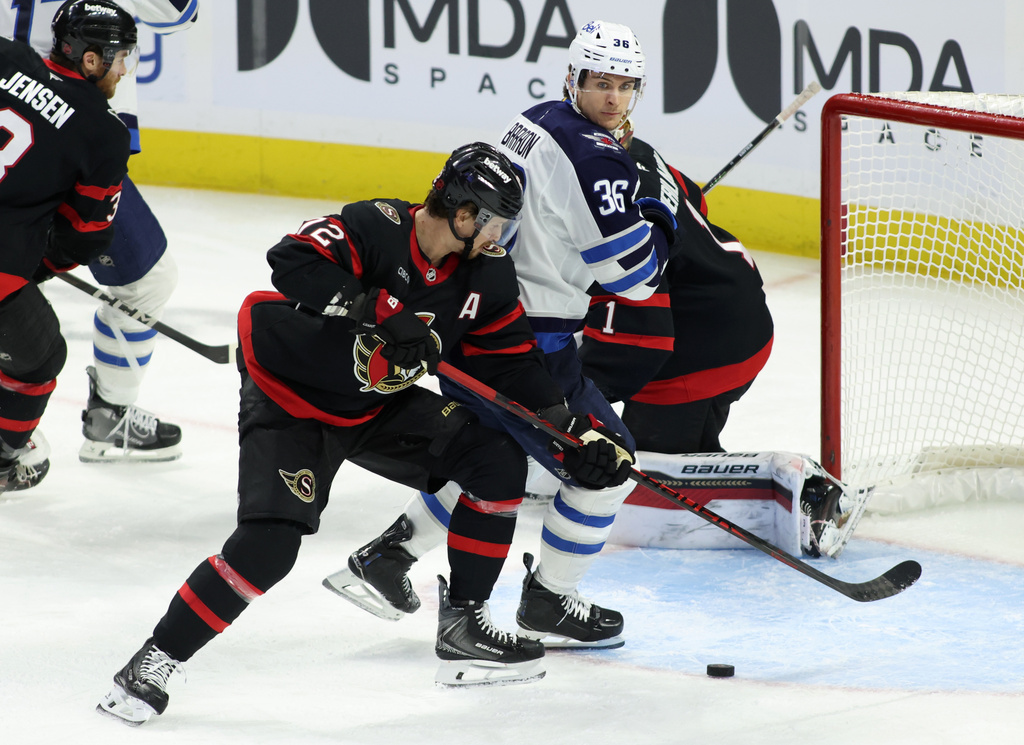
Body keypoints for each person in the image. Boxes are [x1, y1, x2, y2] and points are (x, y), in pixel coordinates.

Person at [97, 143, 634, 725]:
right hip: (292, 401)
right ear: (460, 210)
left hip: (376, 404)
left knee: (494, 460)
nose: (498, 235)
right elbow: (292, 258)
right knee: (269, 547)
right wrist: (372, 305)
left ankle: (463, 627)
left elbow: (510, 366)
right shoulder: (374, 224)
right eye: (493, 220)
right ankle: (152, 662)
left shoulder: (487, 275)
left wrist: (571, 434)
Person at [324, 20, 672, 649]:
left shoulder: (532, 119)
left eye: (625, 86)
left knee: (488, 454)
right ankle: (549, 600)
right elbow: (636, 279)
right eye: (600, 83)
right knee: (609, 467)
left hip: (474, 313)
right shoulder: (595, 155)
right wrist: (662, 209)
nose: (613, 98)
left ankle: (386, 560)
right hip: (529, 341)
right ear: (575, 78)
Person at [1, 0, 199, 463]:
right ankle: (109, 415)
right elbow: (179, 12)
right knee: (145, 280)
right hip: (71, 140)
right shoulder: (99, 131)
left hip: (18, 104)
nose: (126, 69)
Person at [0, 0, 135, 494]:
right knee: (38, 359)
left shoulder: (5, 56)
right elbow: (85, 233)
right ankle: (2, 459)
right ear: (92, 59)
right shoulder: (104, 132)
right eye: (119, 57)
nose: (123, 69)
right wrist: (30, 267)